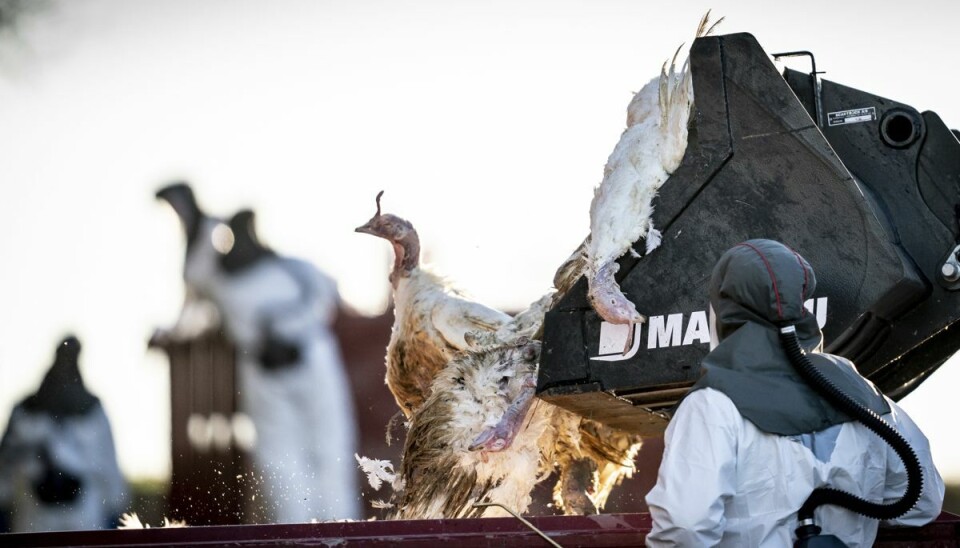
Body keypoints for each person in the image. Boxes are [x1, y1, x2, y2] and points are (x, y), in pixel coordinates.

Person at [645, 239, 944, 547]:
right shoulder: (858, 389)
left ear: (723, 309)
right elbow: (922, 504)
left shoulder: (712, 403)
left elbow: (685, 527)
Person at [0, 336, 129, 532]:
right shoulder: (26, 410)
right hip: (35, 511)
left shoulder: (92, 410)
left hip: (82, 510)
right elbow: (7, 460)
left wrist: (115, 506)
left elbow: (107, 463)